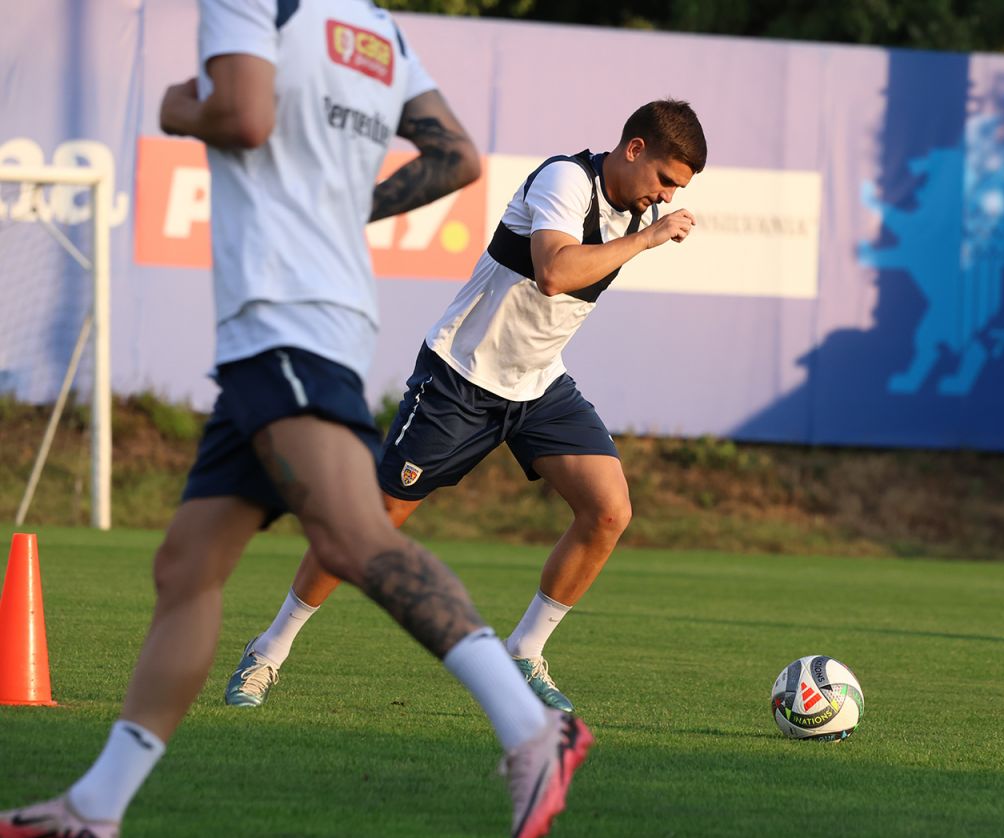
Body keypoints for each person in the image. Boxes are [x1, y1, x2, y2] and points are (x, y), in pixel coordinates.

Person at [0, 2, 590, 838]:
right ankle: (95, 808)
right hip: (308, 319)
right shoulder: (375, 28)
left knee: (357, 535)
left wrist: (176, 109)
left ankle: (530, 731)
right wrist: (344, 209)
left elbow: (241, 114)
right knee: (187, 567)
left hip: (281, 317)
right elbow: (455, 157)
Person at [223, 99, 707, 714]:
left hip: (537, 386)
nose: (664, 199)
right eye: (665, 180)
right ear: (635, 149)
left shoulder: (634, 210)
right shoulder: (565, 180)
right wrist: (648, 239)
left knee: (609, 511)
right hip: (461, 378)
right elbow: (554, 272)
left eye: (676, 192)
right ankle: (268, 651)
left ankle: (524, 652)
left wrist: (642, 231)